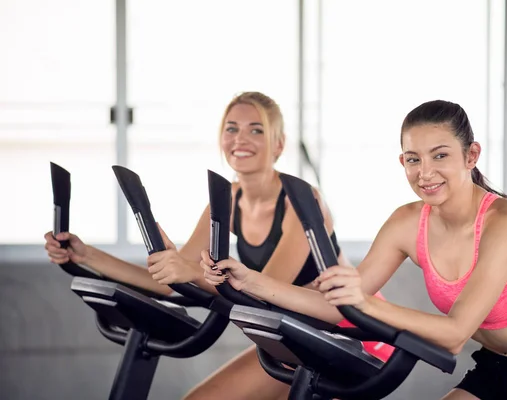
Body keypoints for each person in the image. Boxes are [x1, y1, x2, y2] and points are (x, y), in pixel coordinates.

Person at [201, 100, 507, 399]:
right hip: (500, 367)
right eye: (413, 159)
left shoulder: (504, 224)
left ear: (471, 155)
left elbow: (455, 334)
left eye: (439, 155)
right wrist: (249, 280)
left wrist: (366, 303)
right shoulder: (408, 222)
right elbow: (336, 303)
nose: (424, 173)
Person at [44, 91, 392, 400]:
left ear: (279, 144)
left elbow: (266, 291)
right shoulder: (225, 202)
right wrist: (85, 254)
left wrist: (192, 272)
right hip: (296, 336)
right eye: (232, 128)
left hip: (355, 332)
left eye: (256, 129)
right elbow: (168, 281)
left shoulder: (302, 201)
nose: (241, 138)